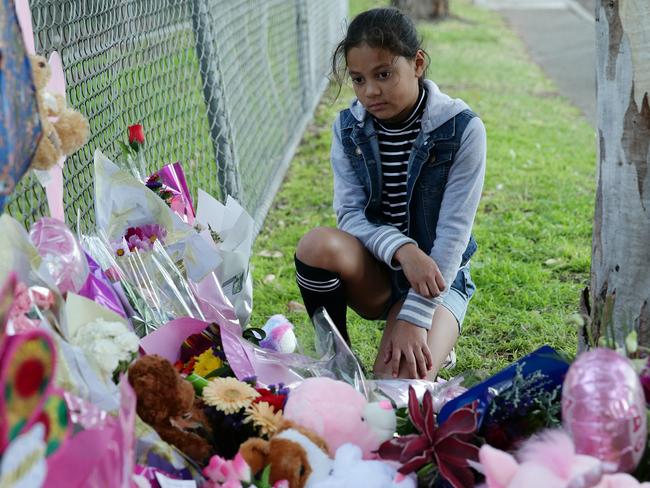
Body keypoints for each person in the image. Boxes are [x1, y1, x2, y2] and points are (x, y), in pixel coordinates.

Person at [294, 7, 486, 380]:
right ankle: (337, 367)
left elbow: (453, 237)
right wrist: (403, 250)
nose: (370, 92)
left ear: (417, 63)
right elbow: (349, 215)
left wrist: (415, 317)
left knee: (393, 396)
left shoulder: (462, 129)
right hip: (377, 273)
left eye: (383, 74)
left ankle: (437, 338)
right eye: (358, 79)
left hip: (438, 280)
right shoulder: (348, 128)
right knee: (316, 245)